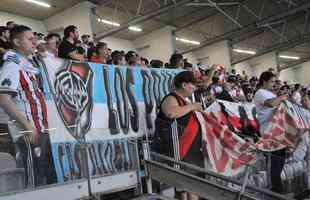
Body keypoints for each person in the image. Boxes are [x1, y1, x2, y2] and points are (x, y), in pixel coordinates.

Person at [0, 25, 56, 186]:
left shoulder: (29, 66)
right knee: (35, 178)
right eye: (30, 39)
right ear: (17, 41)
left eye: (35, 38)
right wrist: (26, 124)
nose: (35, 42)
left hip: (41, 127)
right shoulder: (12, 65)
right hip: (28, 130)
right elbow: (3, 99)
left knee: (46, 175)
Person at [153, 71, 203, 200]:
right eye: (193, 84)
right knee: (182, 185)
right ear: (184, 85)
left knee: (193, 184)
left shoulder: (185, 101)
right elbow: (171, 113)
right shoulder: (171, 98)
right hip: (178, 148)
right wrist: (192, 106)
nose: (195, 88)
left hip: (191, 149)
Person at [253, 71, 288, 193]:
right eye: (272, 81)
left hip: (277, 130)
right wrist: (281, 97)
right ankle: (275, 191)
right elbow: (271, 103)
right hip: (269, 131)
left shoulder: (269, 93)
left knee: (280, 161)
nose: (274, 84)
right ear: (264, 81)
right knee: (274, 162)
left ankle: (277, 189)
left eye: (275, 82)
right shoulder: (260, 93)